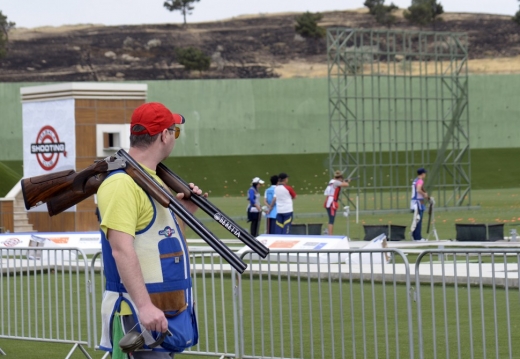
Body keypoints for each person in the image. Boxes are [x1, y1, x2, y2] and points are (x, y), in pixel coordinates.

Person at [97, 102, 204, 358]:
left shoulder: (151, 178)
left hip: (164, 312)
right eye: (174, 131)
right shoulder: (123, 183)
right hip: (139, 314)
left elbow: (156, 236)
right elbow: (121, 250)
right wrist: (144, 306)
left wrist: (184, 211)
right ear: (164, 136)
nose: (174, 137)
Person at [323, 170, 350, 235]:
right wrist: (345, 181)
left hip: (328, 201)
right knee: (331, 220)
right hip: (332, 203)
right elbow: (346, 184)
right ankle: (330, 235)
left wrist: (343, 181)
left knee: (331, 219)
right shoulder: (336, 182)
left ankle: (330, 234)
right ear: (340, 178)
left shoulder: (331, 181)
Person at [410, 167, 430, 241]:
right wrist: (424, 194)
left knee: (416, 219)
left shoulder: (415, 180)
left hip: (414, 202)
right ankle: (418, 237)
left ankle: (415, 236)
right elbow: (418, 189)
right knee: (419, 219)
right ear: (422, 174)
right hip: (418, 202)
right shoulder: (420, 181)